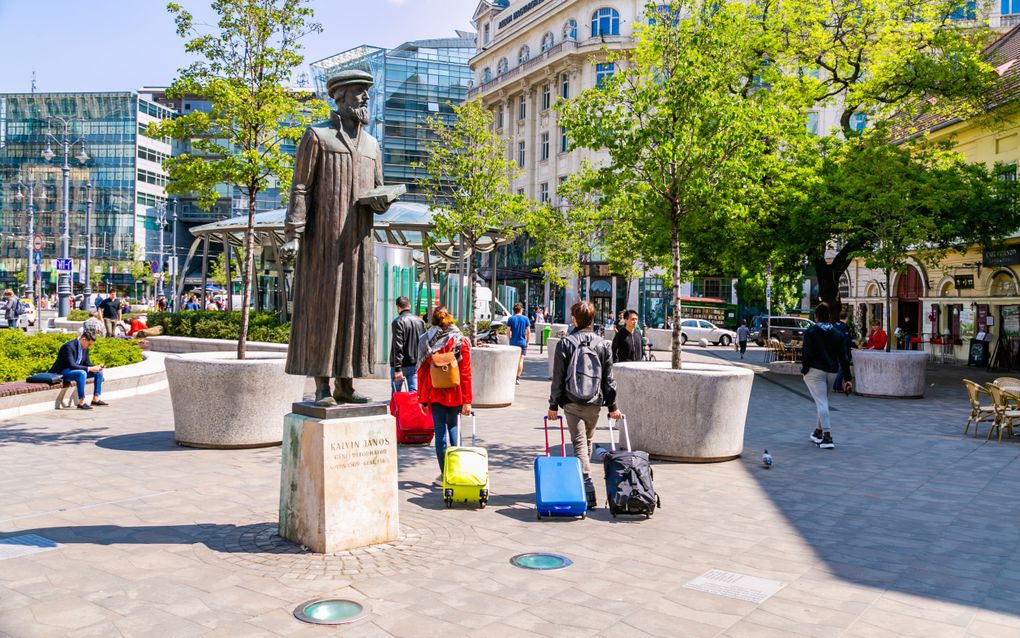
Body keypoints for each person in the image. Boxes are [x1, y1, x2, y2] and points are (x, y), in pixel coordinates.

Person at [280, 68, 396, 406]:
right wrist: (294, 234)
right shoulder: (318, 137)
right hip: (324, 242)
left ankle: (347, 383)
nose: (365, 98)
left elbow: (377, 189)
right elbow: (301, 187)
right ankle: (322, 386)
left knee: (357, 310)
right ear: (340, 96)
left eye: (366, 93)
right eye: (359, 92)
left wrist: (382, 200)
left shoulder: (372, 145)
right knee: (326, 310)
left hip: (359, 241)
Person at [549, 300, 622, 508]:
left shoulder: (565, 343)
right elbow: (609, 380)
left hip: (572, 401)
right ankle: (582, 480)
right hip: (594, 402)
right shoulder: (602, 344)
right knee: (587, 442)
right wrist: (613, 406)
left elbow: (558, 378)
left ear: (574, 319)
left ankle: (587, 487)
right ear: (592, 319)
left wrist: (553, 405)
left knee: (580, 443)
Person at [417, 306, 472, 486]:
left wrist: (422, 398)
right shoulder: (460, 340)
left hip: (435, 393)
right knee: (454, 429)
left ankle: (444, 475)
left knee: (440, 432)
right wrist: (467, 401)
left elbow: (423, 373)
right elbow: (466, 372)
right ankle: (456, 471)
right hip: (456, 394)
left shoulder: (427, 340)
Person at [801, 303, 853, 450]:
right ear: (829, 316)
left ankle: (827, 436)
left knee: (822, 403)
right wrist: (847, 378)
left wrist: (805, 370)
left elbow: (806, 354)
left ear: (815, 316)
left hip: (815, 371)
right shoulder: (838, 334)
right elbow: (843, 357)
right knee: (823, 401)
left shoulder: (811, 332)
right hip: (832, 372)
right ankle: (818, 432)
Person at [50, 329, 108, 410]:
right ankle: (81, 402)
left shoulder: (85, 347)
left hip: (75, 371)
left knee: (98, 372)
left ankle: (96, 399)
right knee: (82, 373)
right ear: (83, 339)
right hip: (62, 372)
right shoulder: (68, 346)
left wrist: (97, 367)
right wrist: (90, 368)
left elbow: (87, 363)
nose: (89, 346)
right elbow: (72, 365)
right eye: (89, 344)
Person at [390, 296, 425, 394]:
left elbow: (398, 346)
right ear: (409, 306)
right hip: (415, 364)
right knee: (414, 394)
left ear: (398, 307)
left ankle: (397, 410)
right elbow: (423, 343)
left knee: (397, 395)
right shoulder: (420, 321)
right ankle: (412, 410)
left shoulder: (397, 322)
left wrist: (397, 368)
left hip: (400, 365)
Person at [507, 302, 531, 385]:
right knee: (521, 360)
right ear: (521, 309)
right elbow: (528, 332)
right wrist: (528, 341)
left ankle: (511, 376)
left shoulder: (511, 319)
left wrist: (509, 340)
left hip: (513, 342)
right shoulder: (525, 319)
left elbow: (508, 331)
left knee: (512, 360)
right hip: (522, 342)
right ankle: (517, 378)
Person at [832, 311, 852, 392]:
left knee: (838, 368)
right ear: (846, 318)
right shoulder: (845, 327)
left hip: (834, 350)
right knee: (842, 369)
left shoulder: (835, 325)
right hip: (842, 351)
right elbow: (846, 341)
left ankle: (835, 386)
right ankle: (837, 387)